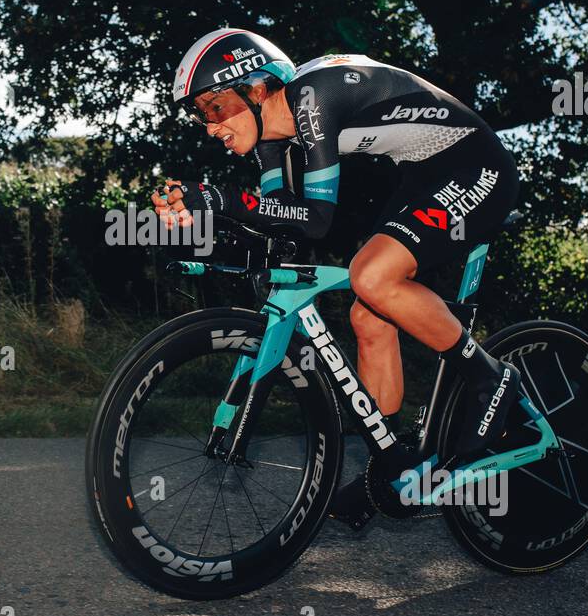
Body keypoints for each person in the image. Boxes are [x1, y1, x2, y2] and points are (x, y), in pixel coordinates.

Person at [155, 27, 522, 466]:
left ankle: (489, 378)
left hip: (475, 164)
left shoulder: (312, 99)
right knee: (368, 315)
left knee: (371, 276)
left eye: (216, 107)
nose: (211, 126)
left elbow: (317, 220)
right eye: (201, 115)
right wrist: (211, 217)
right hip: (421, 174)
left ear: (256, 89)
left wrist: (222, 199)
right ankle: (390, 464)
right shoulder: (270, 141)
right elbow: (281, 221)